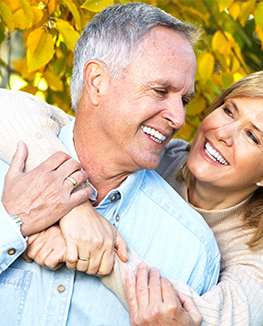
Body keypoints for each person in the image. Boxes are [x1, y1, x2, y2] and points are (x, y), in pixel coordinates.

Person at [0, 70, 263, 325]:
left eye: (252, 136)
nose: (223, 133)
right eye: (229, 111)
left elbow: (196, 319)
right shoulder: (155, 153)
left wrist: (86, 246)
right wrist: (73, 210)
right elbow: (14, 110)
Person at [0, 3, 222, 325]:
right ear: (97, 81)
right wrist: (13, 225)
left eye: (184, 100)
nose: (179, 118)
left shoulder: (192, 249)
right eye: (161, 91)